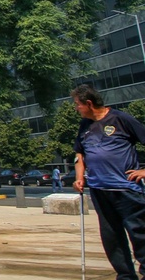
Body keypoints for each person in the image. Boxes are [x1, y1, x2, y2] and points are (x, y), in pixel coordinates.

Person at [72, 83, 145, 280]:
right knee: (111, 237)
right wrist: (79, 177)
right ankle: (125, 276)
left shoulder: (120, 119)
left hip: (126, 189)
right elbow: (80, 153)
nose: (76, 108)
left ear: (89, 103)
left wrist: (144, 171)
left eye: (77, 104)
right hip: (99, 189)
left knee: (140, 233)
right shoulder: (85, 126)